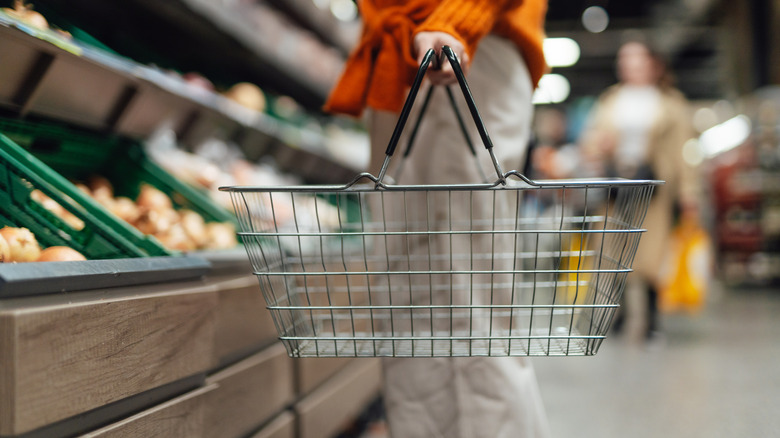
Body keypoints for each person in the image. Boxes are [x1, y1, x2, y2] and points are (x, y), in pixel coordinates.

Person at [324, 2, 551, 437]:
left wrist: (454, 22)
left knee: (467, 297)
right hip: (401, 57)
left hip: (464, 49)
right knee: (408, 295)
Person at [579, 39, 700, 342]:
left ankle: (651, 320)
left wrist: (689, 192)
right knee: (612, 252)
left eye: (636, 59)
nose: (629, 66)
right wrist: (598, 145)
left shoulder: (671, 103)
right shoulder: (610, 100)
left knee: (651, 253)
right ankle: (615, 318)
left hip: (654, 187)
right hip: (616, 185)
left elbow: (684, 152)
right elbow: (590, 140)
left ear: (652, 64)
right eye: (625, 60)